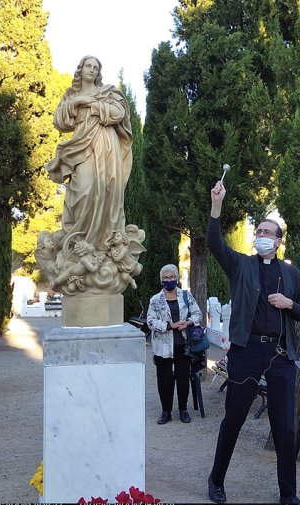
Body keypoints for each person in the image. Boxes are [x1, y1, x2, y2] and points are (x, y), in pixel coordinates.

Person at [206, 180, 300, 505]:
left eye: (268, 233)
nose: (261, 236)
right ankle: (216, 480)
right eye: (260, 232)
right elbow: (214, 244)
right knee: (234, 419)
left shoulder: (291, 275)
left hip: (280, 355)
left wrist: (289, 305)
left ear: (279, 242)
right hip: (246, 351)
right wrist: (217, 205)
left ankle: (288, 494)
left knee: (284, 428)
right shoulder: (241, 265)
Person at [46, 55, 133, 250]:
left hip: (105, 144)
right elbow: (60, 122)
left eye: (96, 67)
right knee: (83, 189)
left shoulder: (107, 92)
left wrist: (91, 104)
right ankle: (78, 240)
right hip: (81, 146)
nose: (92, 69)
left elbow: (118, 113)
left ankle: (101, 245)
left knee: (104, 188)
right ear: (81, 69)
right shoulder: (71, 96)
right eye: (88, 66)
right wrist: (78, 100)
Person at [146, 264, 203, 425]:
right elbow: (150, 321)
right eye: (165, 278)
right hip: (163, 347)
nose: (168, 280)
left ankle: (183, 410)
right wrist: (169, 325)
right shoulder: (155, 300)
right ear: (161, 280)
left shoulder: (186, 296)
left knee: (183, 378)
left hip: (183, 345)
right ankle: (166, 411)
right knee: (164, 380)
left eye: (171, 277)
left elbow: (198, 313)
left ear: (177, 278)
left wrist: (189, 322)